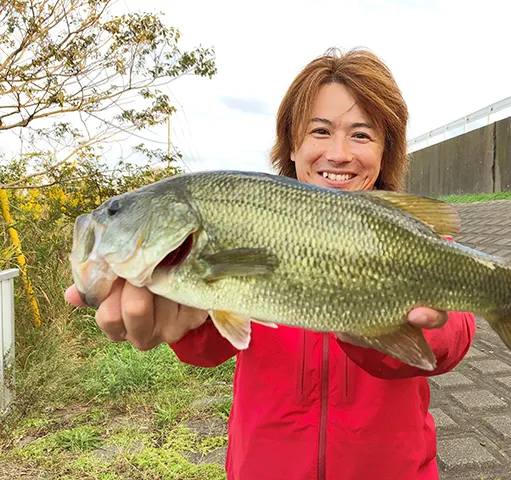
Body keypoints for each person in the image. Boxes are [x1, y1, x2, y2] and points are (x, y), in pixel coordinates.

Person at [66, 48, 476, 479]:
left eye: (361, 135)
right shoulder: (250, 217)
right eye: (320, 131)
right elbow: (212, 345)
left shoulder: (410, 234)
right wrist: (185, 321)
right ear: (292, 146)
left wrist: (400, 324)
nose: (338, 153)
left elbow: (457, 332)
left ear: (385, 150)